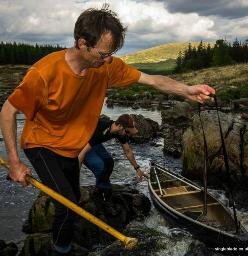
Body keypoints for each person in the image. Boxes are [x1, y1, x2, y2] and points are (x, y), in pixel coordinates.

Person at [0, 5, 215, 256]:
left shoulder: (105, 67)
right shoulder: (44, 74)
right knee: (68, 207)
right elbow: (7, 111)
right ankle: (60, 251)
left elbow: (153, 80)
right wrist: (15, 163)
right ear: (82, 43)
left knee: (72, 203)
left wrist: (187, 90)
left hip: (71, 149)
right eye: (103, 53)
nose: (108, 59)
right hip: (41, 145)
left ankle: (64, 246)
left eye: (111, 53)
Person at [78, 114, 148, 201]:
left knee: (109, 162)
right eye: (127, 132)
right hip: (80, 143)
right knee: (100, 166)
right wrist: (75, 177)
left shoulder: (119, 132)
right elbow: (81, 154)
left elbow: (128, 151)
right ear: (120, 126)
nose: (128, 135)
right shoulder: (101, 131)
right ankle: (103, 191)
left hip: (92, 142)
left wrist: (137, 169)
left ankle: (102, 188)